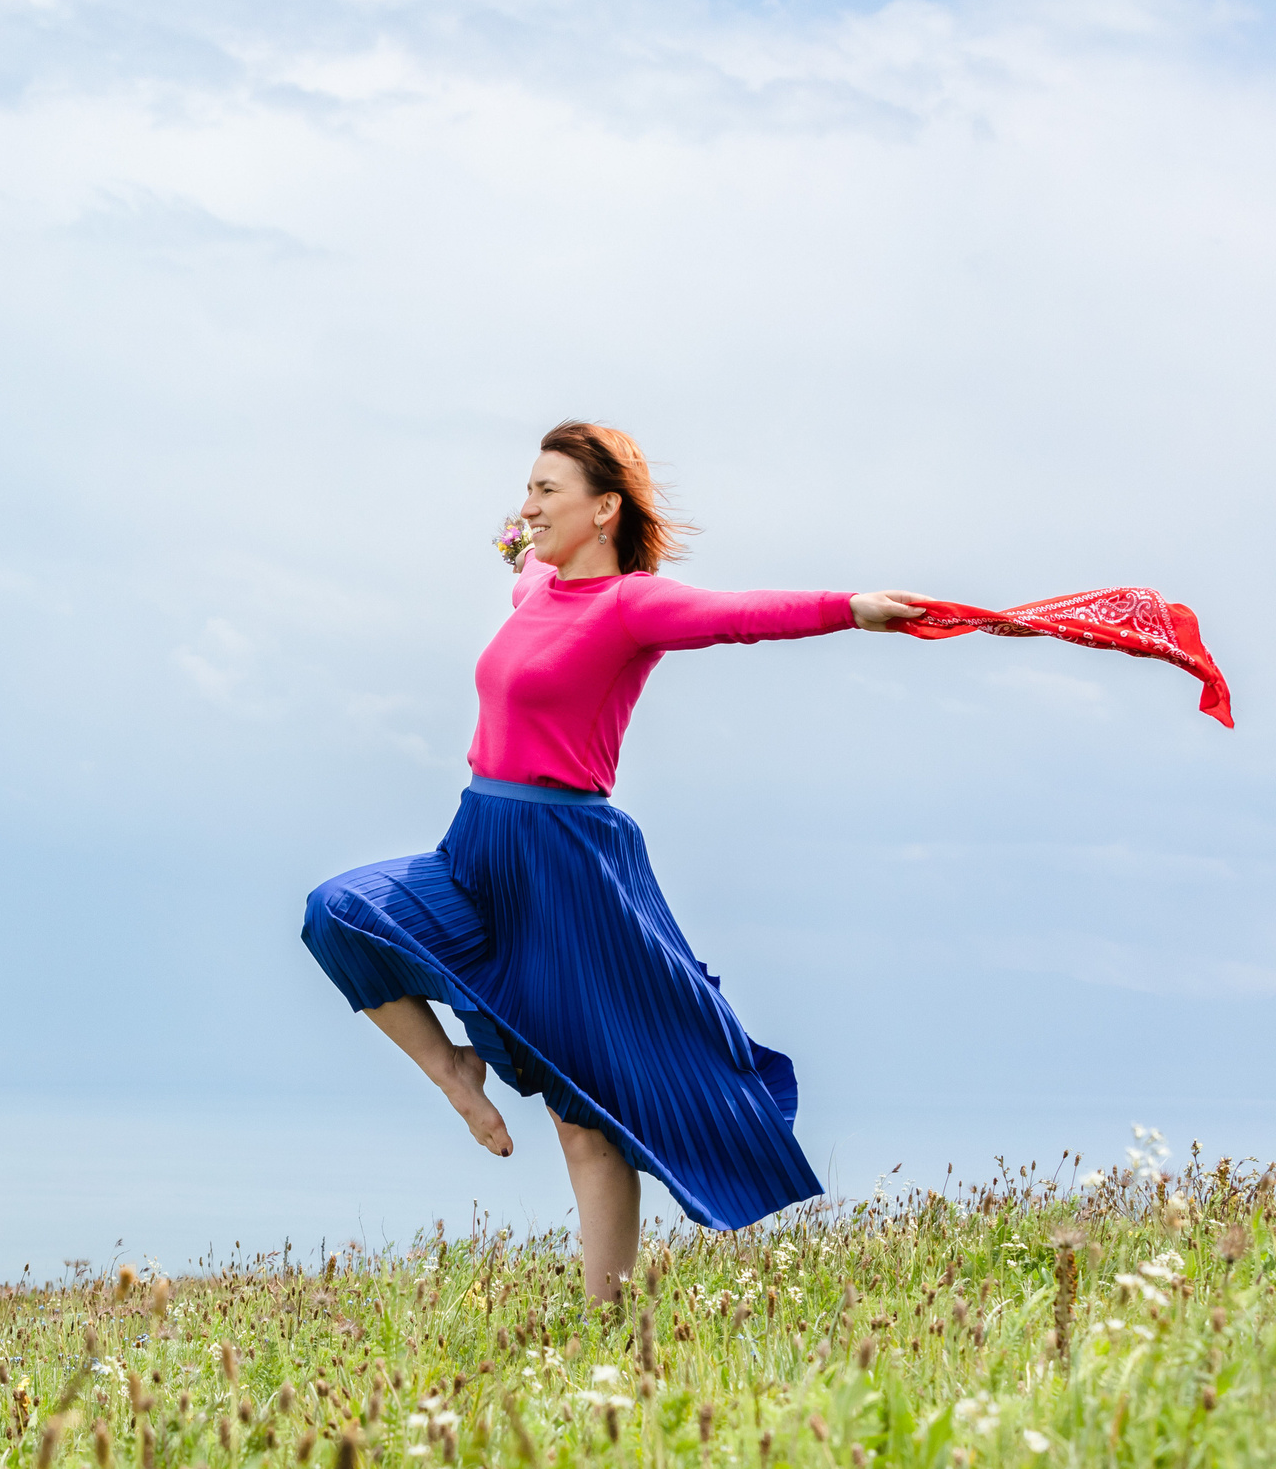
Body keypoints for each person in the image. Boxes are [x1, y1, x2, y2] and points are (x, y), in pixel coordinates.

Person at [300, 422, 930, 1301]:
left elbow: (738, 617)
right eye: (527, 488)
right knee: (336, 910)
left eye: (547, 489)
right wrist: (523, 531)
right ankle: (457, 1073)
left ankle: (607, 1321)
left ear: (604, 509)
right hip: (477, 842)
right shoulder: (535, 584)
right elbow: (516, 550)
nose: (528, 504)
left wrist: (850, 606)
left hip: (566, 865)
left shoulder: (633, 605)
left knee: (585, 1112)